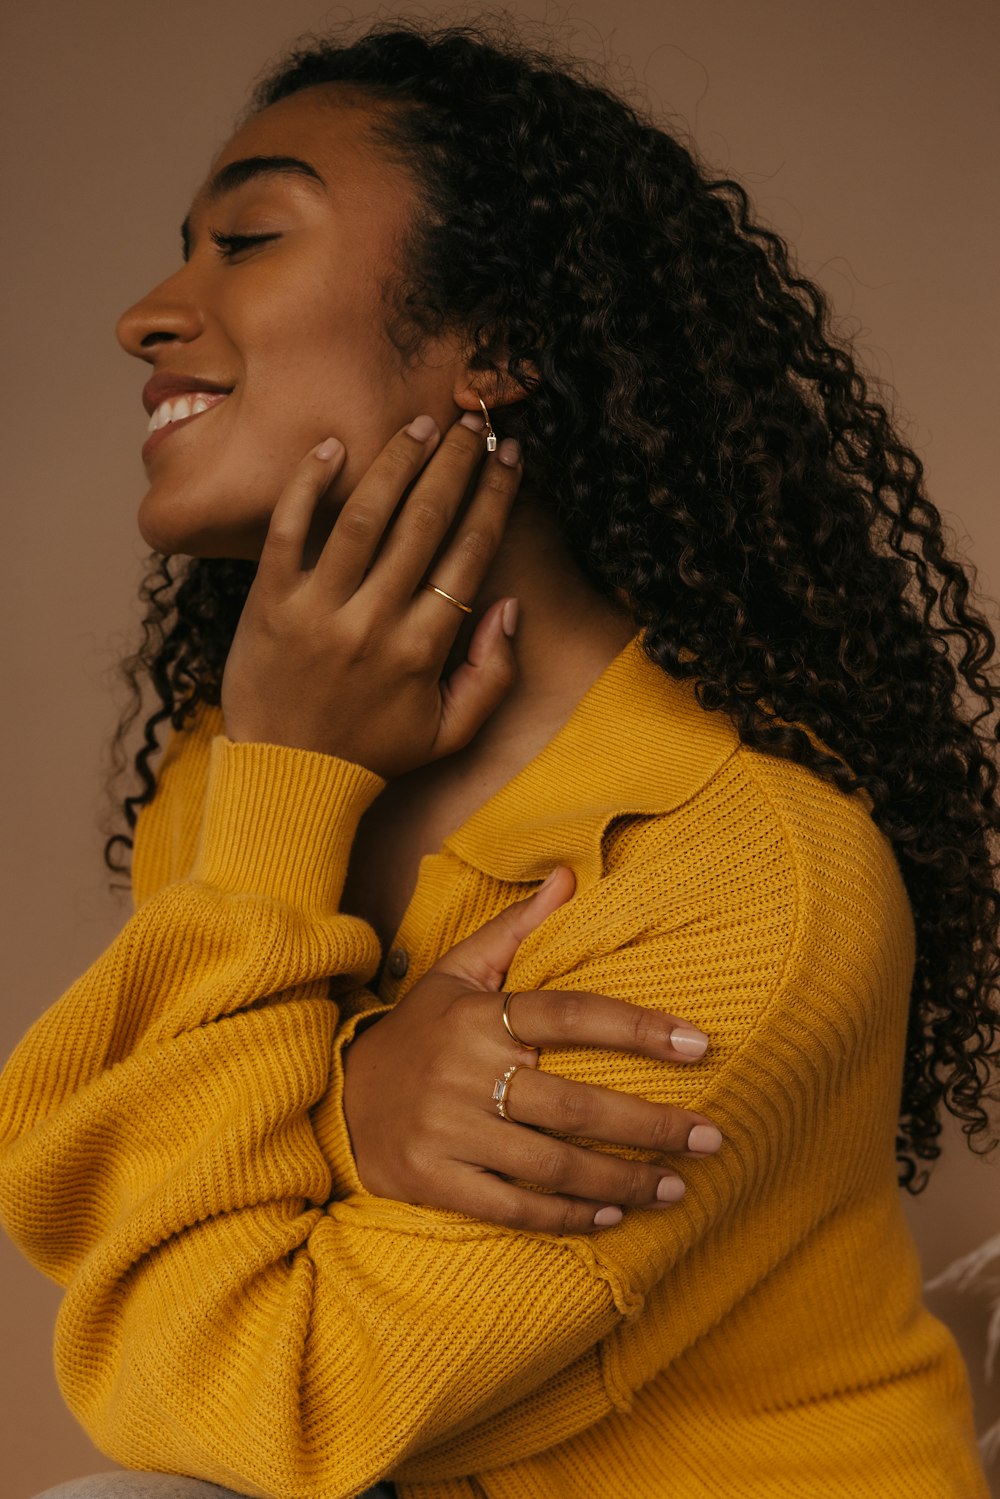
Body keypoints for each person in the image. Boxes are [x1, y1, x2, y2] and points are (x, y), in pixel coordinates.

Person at [1, 19, 996, 1499]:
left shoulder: (750, 871)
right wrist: (353, 1090)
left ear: (502, 346)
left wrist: (301, 1111)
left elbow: (262, 1394)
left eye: (250, 239)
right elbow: (71, 1178)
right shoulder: (251, 767)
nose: (151, 313)